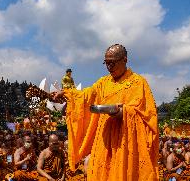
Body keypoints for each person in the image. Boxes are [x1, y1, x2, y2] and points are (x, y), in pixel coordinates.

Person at [54, 44, 159, 180]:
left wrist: (122, 111)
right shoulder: (103, 82)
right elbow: (85, 96)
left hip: (126, 140)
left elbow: (147, 116)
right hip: (104, 138)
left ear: (124, 60)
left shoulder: (138, 83)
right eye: (106, 63)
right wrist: (67, 94)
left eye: (113, 63)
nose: (109, 67)